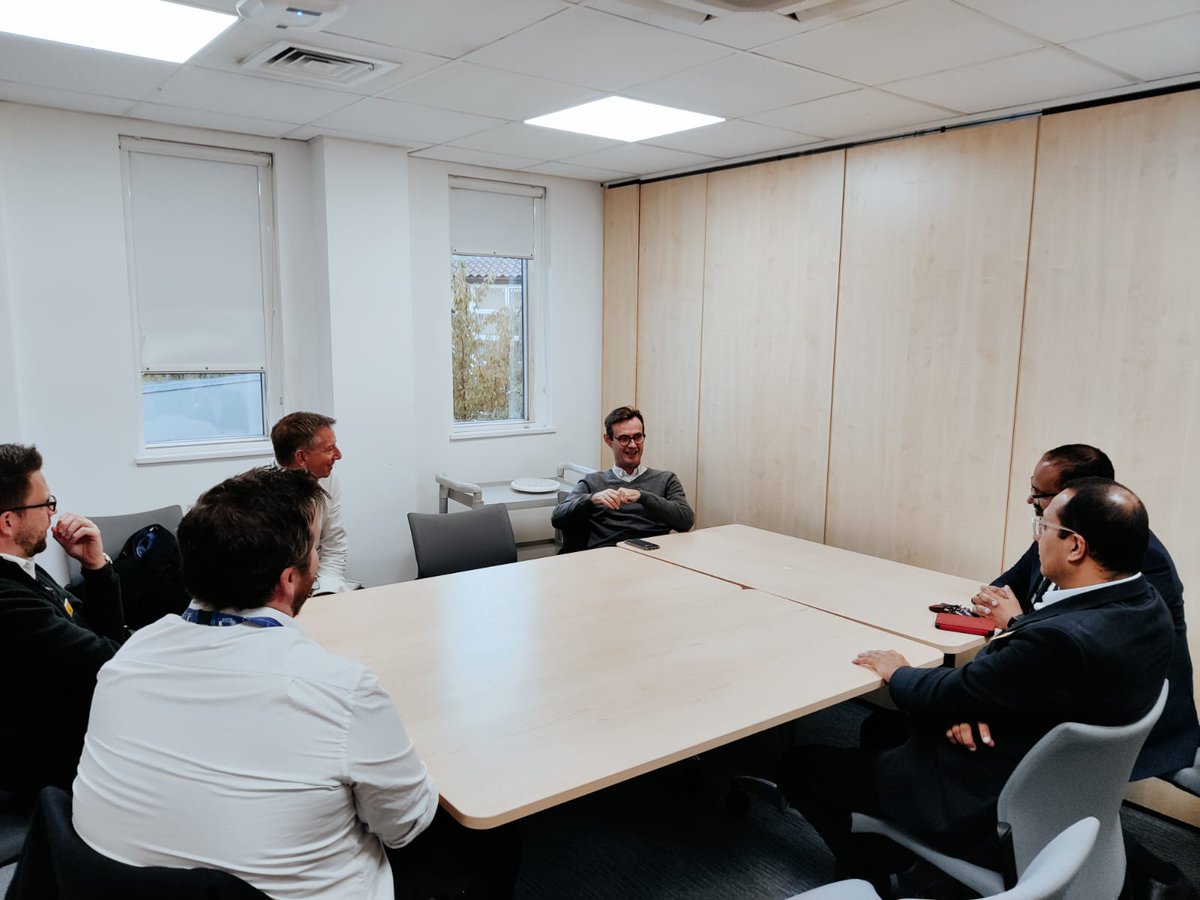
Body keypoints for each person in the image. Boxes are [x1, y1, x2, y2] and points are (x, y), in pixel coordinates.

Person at [73, 467, 516, 899]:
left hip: (108, 884)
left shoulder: (130, 655)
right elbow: (405, 826)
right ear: (289, 579)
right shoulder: (339, 689)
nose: (318, 560)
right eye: (314, 551)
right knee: (490, 838)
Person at [777, 479, 1174, 890]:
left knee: (802, 767)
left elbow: (948, 690)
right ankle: (894, 845)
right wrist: (976, 699)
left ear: (1075, 546)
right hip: (1058, 778)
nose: (1037, 538)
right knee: (881, 729)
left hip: (986, 794)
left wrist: (897, 670)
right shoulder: (1146, 605)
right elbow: (1018, 674)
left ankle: (872, 878)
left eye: (1044, 527)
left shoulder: (1061, 639)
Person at [970, 445, 1198, 780]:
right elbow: (1008, 584)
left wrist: (1017, 623)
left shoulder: (1131, 554)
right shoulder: (1056, 533)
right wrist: (994, 600)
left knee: (945, 721)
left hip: (1110, 716)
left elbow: (1104, 646)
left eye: (1038, 493)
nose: (1030, 500)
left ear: (1073, 496)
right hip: (1060, 690)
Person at [0, 443, 125, 802]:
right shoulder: (9, 600)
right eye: (45, 504)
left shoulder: (23, 570)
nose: (53, 514)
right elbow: (108, 662)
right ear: (9, 521)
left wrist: (95, 567)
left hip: (82, 736)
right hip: (52, 773)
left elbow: (99, 635)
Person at [551, 406, 694, 549]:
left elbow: (686, 521)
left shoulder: (666, 479)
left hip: (654, 557)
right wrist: (592, 499)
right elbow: (557, 518)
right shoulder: (592, 481)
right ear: (608, 440)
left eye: (638, 437)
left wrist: (643, 497)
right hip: (606, 559)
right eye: (624, 439)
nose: (632, 445)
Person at [270, 411, 359, 593]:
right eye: (329, 449)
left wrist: (327, 589)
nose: (339, 455)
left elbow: (333, 543)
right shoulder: (261, 495)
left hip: (316, 585)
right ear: (301, 458)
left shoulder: (329, 480)